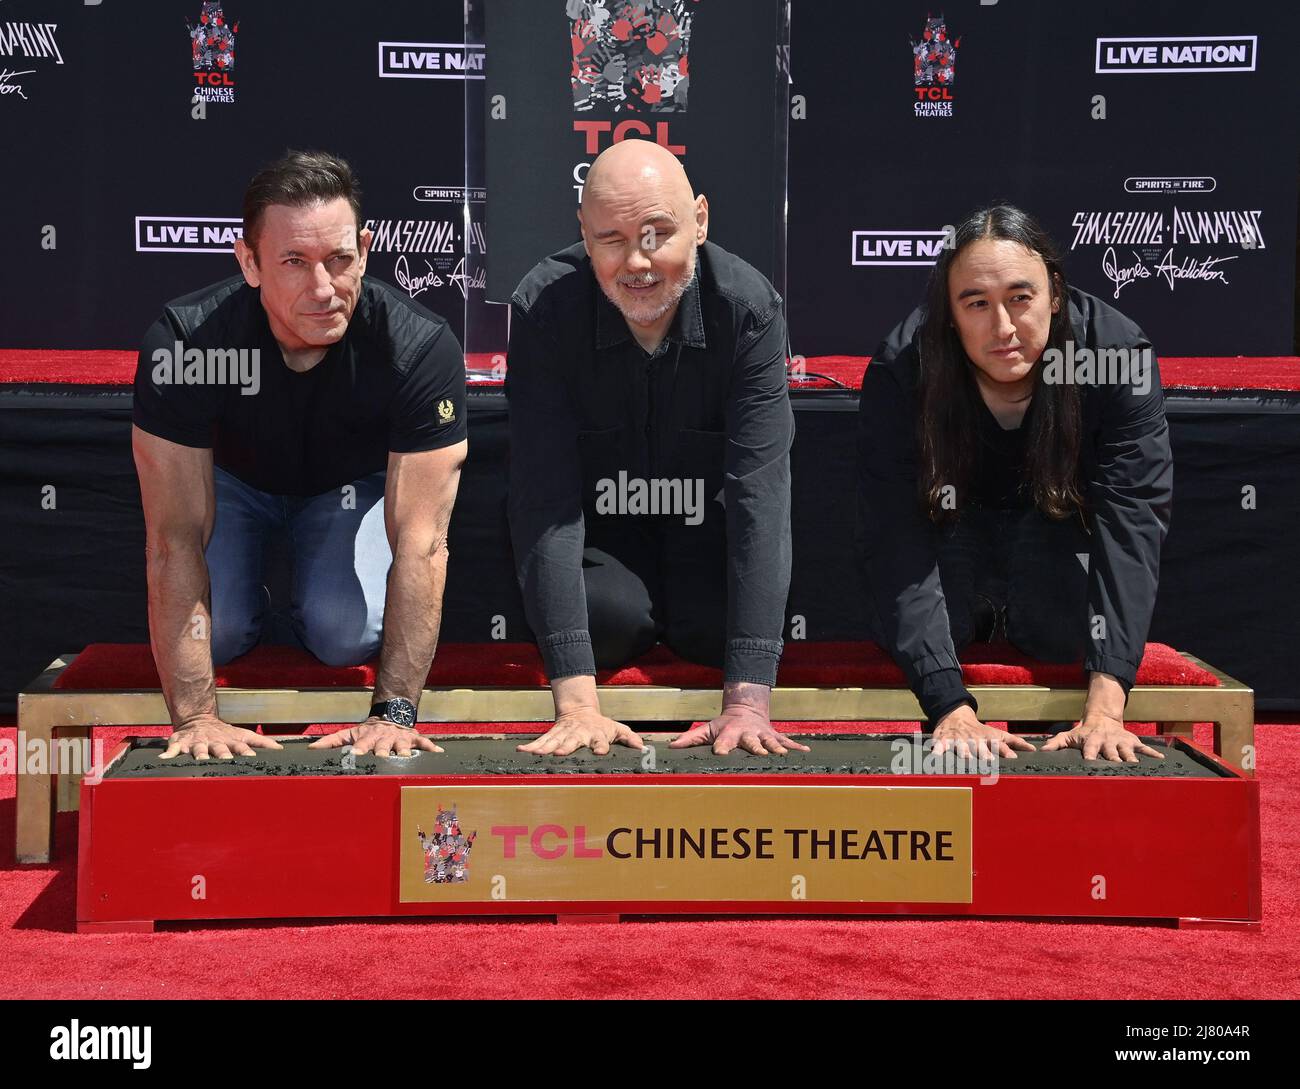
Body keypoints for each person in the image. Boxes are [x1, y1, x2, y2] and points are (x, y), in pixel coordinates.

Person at [132, 150, 467, 761]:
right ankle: (254, 601)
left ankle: (302, 598)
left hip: (351, 488)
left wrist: (394, 712)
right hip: (229, 486)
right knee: (222, 633)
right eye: (293, 262)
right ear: (249, 262)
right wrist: (195, 720)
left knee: (343, 633)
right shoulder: (186, 342)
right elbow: (171, 537)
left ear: (365, 250)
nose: (322, 288)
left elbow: (423, 541)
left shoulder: (418, 347)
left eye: (339, 260)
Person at [506, 139, 805, 758]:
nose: (637, 262)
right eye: (611, 239)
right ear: (585, 238)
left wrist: (748, 704)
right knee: (609, 621)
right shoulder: (544, 308)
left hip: (706, 525)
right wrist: (577, 706)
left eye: (657, 233)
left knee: (721, 628)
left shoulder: (748, 310)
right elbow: (544, 495)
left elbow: (761, 496)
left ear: (700, 221)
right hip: (599, 530)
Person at [857, 204, 1172, 764]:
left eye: (1020, 299)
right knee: (934, 628)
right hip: (950, 524)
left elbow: (1131, 521)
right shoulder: (905, 365)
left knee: (1059, 632)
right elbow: (895, 535)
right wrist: (949, 707)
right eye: (976, 303)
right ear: (949, 314)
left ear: (1054, 292)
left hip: (1058, 527)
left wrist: (1106, 707)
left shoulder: (1116, 356)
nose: (1002, 327)